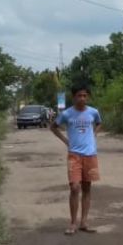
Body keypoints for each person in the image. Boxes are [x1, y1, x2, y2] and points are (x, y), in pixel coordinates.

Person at [50, 84, 103, 235]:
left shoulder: (93, 112)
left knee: (87, 188)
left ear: (88, 97)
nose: (82, 98)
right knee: (74, 187)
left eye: (85, 96)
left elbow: (99, 123)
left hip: (90, 154)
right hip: (74, 155)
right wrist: (66, 141)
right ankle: (73, 223)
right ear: (73, 97)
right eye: (79, 95)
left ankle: (84, 222)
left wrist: (94, 134)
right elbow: (53, 127)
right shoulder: (67, 114)